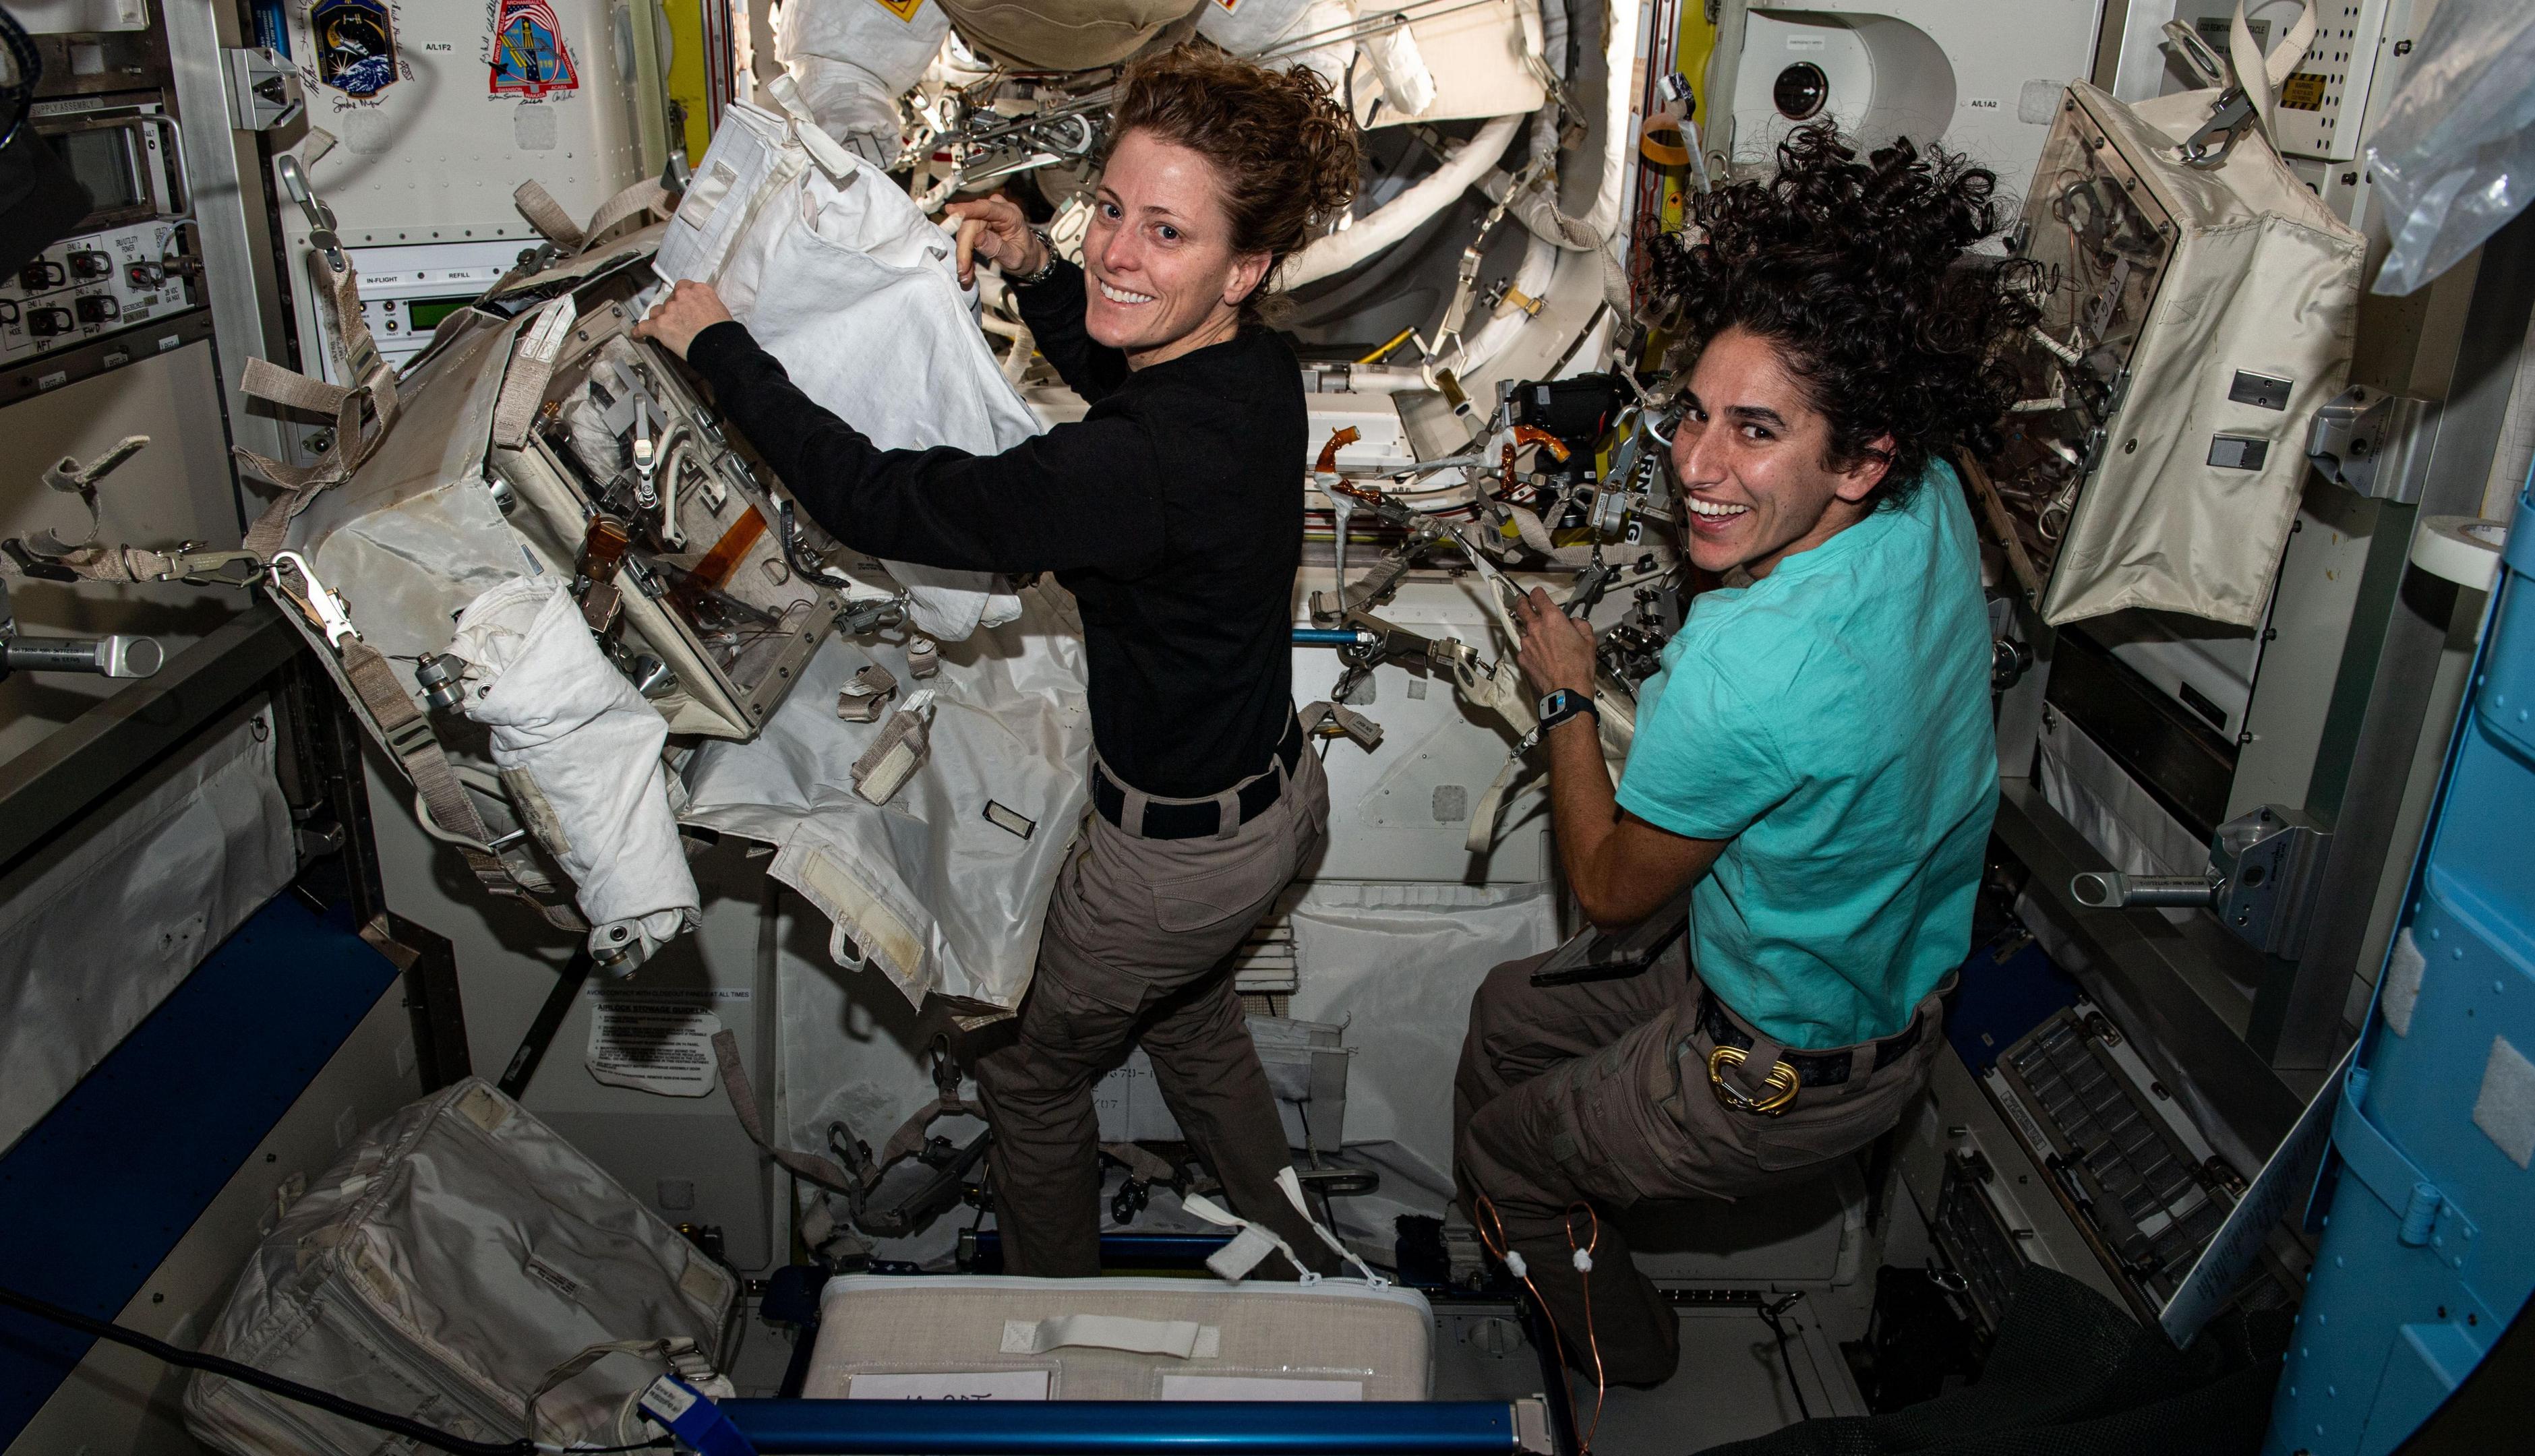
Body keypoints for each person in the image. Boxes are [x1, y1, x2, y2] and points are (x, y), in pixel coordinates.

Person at [634, 44, 1361, 1277]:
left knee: (1023, 1068)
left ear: (1245, 267)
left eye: (1165, 235)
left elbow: (885, 503)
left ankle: (1048, 1349)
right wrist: (1036, 263)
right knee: (1194, 1028)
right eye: (1112, 211)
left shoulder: (1130, 472)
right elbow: (1127, 366)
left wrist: (719, 347)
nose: (1118, 253)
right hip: (1277, 805)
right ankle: (1310, 1261)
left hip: (1172, 861)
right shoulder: (1252, 371)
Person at [1450, 123, 2041, 1386]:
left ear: (1859, 454)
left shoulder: (1745, 669)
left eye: (1756, 433)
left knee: (1501, 1155)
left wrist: (1566, 697)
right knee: (1508, 1017)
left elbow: (1610, 890)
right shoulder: (1923, 490)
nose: (1696, 469)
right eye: (1697, 415)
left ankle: (1627, 1358)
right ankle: (1578, 1220)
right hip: (1864, 979)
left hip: (1778, 1064)